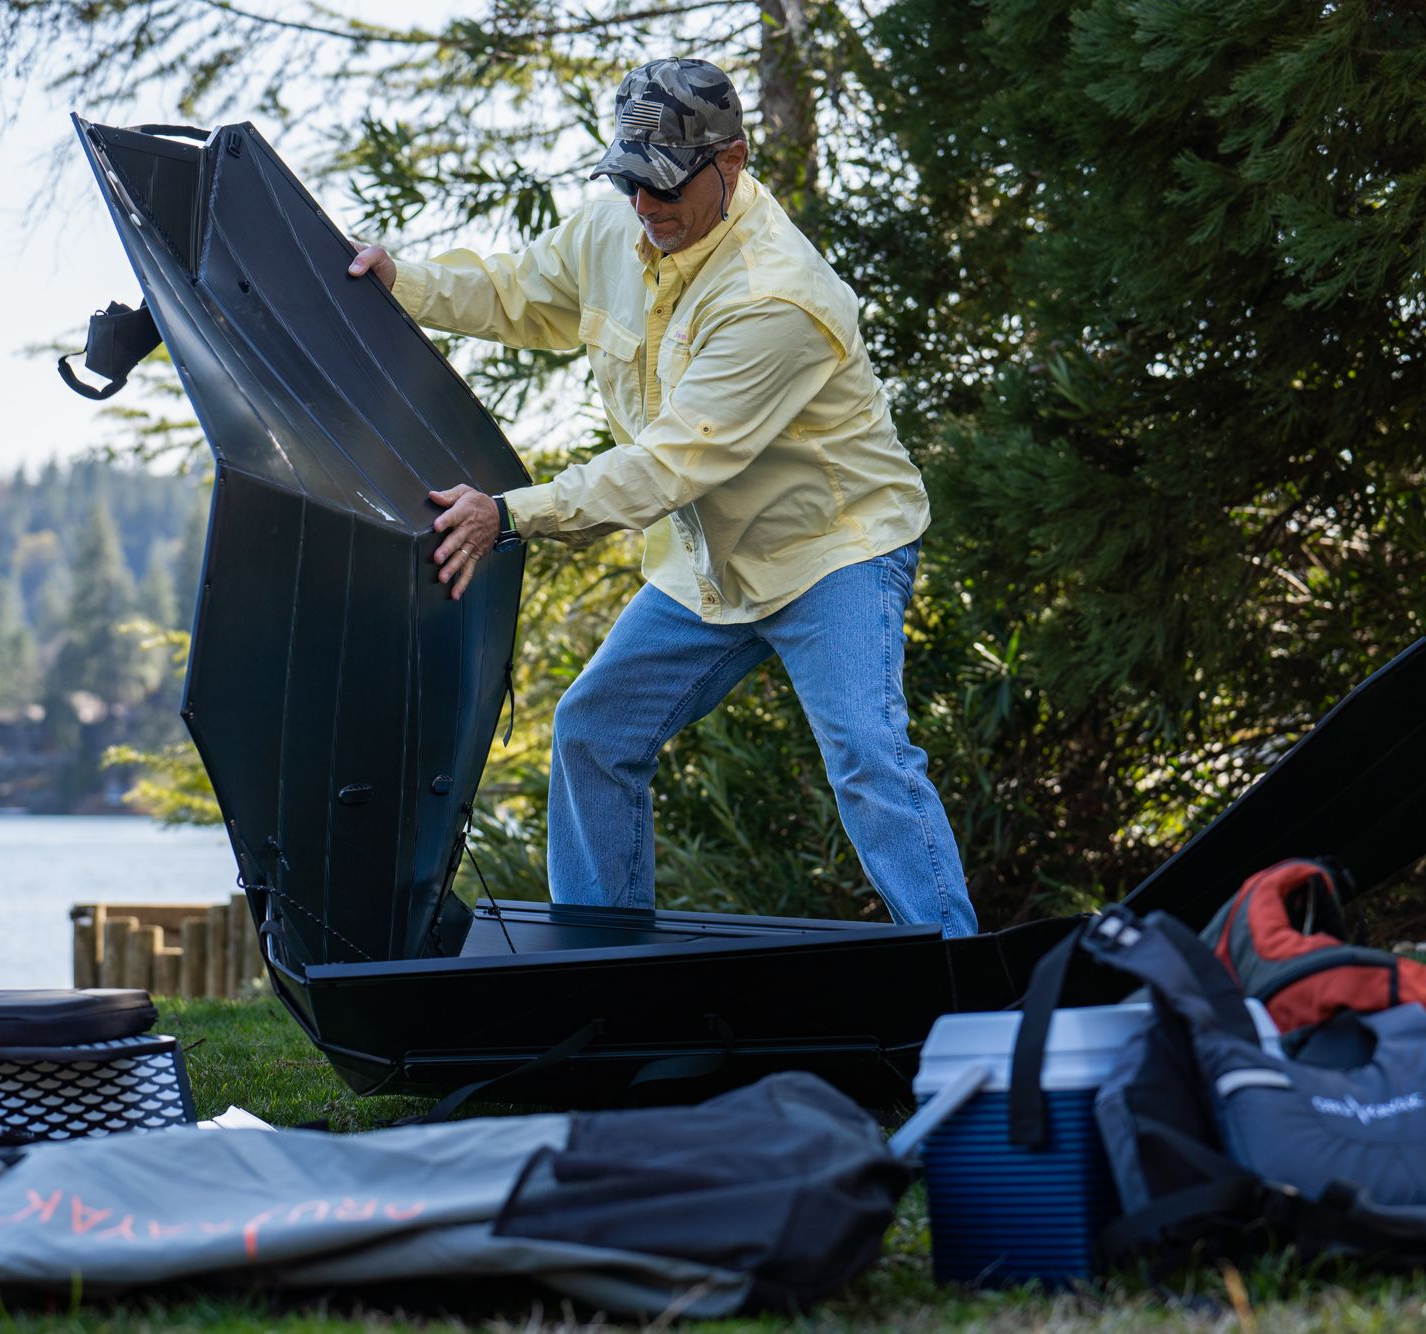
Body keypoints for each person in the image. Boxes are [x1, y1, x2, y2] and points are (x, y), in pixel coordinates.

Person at [346, 58, 978, 937]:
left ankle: (961, 979)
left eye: (667, 184)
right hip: (708, 563)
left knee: (870, 759)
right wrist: (403, 282)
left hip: (832, 550)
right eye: (630, 179)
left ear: (732, 161)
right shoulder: (618, 229)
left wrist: (510, 512)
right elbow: (515, 292)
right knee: (593, 733)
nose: (646, 204)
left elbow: (664, 468)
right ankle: (601, 974)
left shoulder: (777, 298)